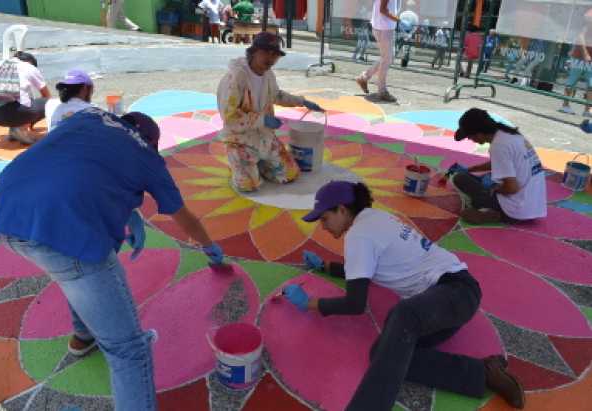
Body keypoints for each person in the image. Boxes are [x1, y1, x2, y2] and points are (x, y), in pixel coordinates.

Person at [0, 108, 225, 411]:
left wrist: (129, 210)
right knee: (129, 351)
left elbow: (84, 166)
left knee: (76, 268)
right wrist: (209, 248)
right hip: (58, 226)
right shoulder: (147, 157)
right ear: (151, 143)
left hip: (6, 210)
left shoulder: (89, 117)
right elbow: (184, 216)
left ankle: (83, 335)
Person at [283, 180, 525, 411]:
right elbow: (366, 267)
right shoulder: (376, 218)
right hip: (451, 304)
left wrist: (309, 304)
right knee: (383, 355)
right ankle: (483, 374)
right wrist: (326, 266)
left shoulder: (359, 235)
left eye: (325, 218)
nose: (322, 226)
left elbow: (355, 303)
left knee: (403, 314)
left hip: (452, 292)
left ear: (342, 210)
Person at [217, 31, 323, 192]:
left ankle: (258, 163)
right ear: (253, 52)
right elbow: (229, 116)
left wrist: (302, 101)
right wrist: (262, 120)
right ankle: (238, 162)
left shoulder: (268, 75)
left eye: (275, 54)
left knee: (290, 174)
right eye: (266, 52)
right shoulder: (236, 77)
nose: (271, 58)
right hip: (240, 139)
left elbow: (276, 95)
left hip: (264, 138)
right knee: (248, 186)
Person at [449, 108, 547, 225]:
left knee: (460, 179)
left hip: (516, 209)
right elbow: (501, 163)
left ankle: (494, 214)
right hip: (534, 205)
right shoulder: (509, 134)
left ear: (479, 134)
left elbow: (512, 188)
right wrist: (472, 169)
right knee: (486, 177)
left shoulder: (498, 146)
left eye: (470, 136)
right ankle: (492, 209)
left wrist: (494, 189)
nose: (470, 140)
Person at [0, 51, 51, 145]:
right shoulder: (29, 67)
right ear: (30, 62)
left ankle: (14, 131)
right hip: (16, 114)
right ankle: (20, 130)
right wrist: (32, 121)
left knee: (19, 101)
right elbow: (47, 95)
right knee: (49, 102)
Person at [356, 0, 405, 102]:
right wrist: (398, 20)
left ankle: (364, 77)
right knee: (387, 59)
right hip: (384, 28)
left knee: (387, 58)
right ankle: (382, 91)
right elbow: (382, 9)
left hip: (384, 27)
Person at [559, 9, 592, 116]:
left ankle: (587, 110)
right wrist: (585, 54)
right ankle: (565, 105)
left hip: (587, 57)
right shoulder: (590, 14)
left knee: (591, 84)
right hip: (580, 57)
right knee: (572, 81)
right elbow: (580, 36)